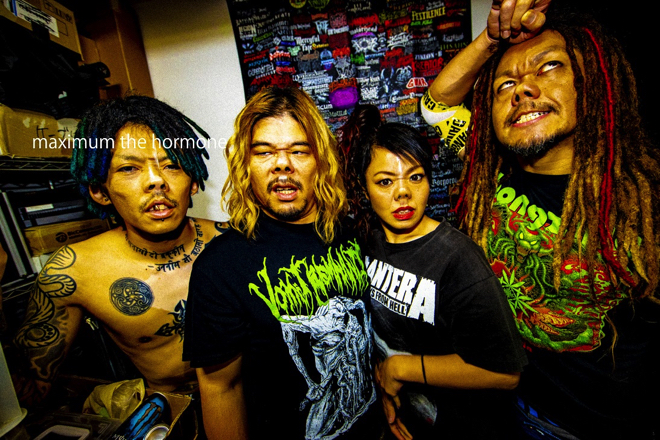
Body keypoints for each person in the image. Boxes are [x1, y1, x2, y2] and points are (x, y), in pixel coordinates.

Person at [421, 1, 660, 439]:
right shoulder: (488, 171)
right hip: (511, 408)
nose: (523, 89)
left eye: (548, 67)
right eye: (505, 84)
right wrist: (492, 37)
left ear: (590, 83)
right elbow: (437, 104)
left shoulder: (640, 202)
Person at [183, 86, 379, 440]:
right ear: (246, 164)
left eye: (299, 150)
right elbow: (220, 388)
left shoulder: (356, 235)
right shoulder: (220, 267)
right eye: (264, 152)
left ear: (320, 160)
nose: (282, 164)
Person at [12, 95, 228, 406]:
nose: (156, 181)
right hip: (169, 415)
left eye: (172, 165)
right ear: (100, 191)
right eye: (129, 168)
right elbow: (27, 394)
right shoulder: (74, 271)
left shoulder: (236, 242)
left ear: (193, 181)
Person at [340, 105, 527, 440]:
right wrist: (383, 388)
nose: (403, 192)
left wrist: (400, 368)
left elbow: (505, 372)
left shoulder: (458, 258)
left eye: (415, 177)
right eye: (385, 181)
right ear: (365, 189)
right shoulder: (367, 242)